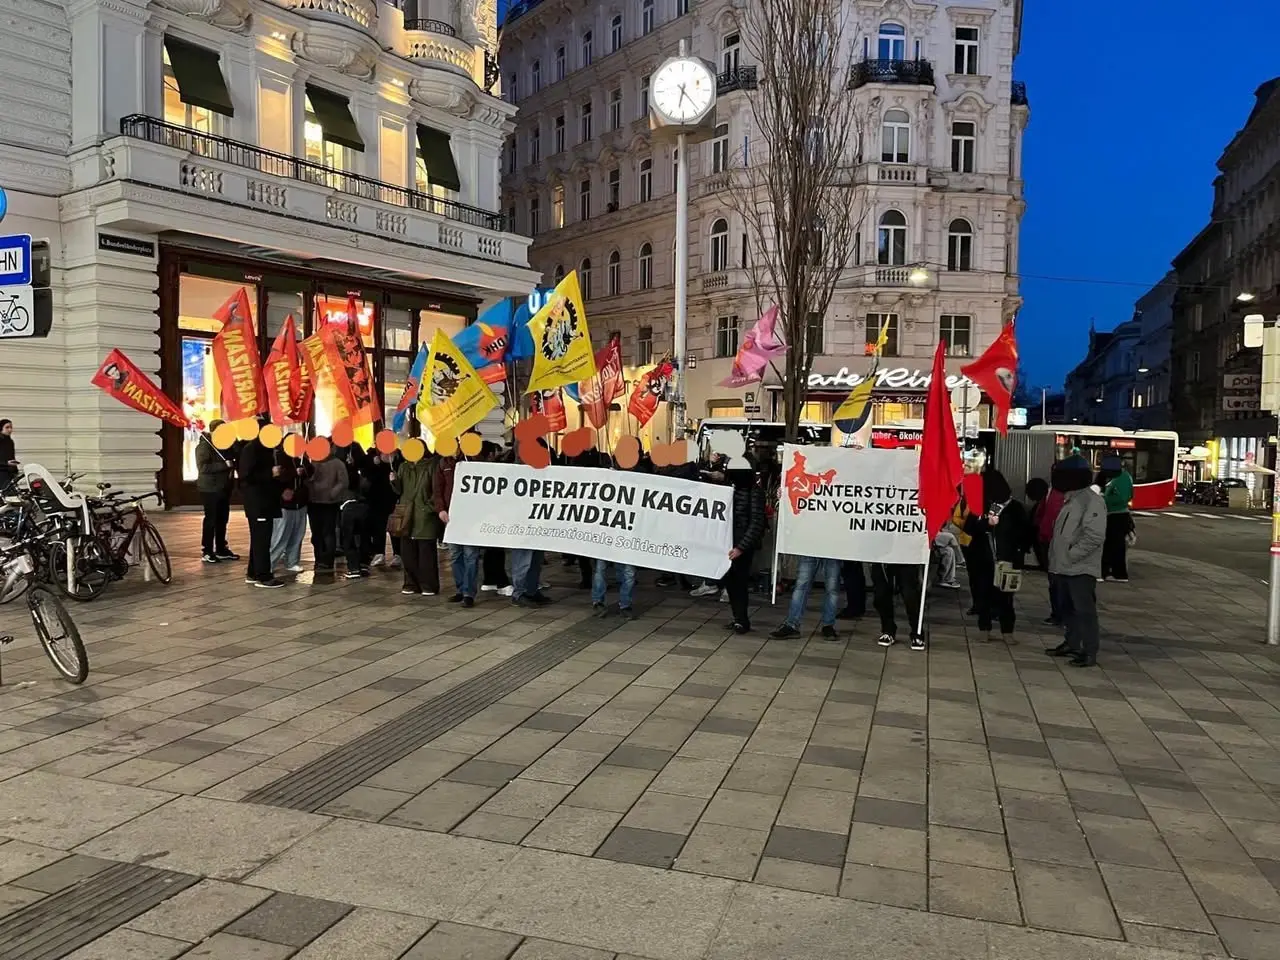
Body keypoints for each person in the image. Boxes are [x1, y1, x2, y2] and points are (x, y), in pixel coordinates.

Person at [1046, 454, 1107, 667]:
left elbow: (1094, 536)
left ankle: (1089, 651)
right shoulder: (1071, 499)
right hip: (1064, 567)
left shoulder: (1091, 501)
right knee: (1068, 609)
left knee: (1084, 611)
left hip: (1080, 568)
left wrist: (1071, 555)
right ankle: (1072, 643)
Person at [963, 470, 1027, 644]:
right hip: (983, 559)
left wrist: (1018, 555)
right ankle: (984, 629)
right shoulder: (980, 506)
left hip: (1007, 560)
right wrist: (986, 523)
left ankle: (1007, 631)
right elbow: (969, 528)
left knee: (1006, 597)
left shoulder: (1015, 508)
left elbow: (1025, 534)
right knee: (983, 595)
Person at [237, 419, 283, 588]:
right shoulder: (251, 449)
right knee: (261, 539)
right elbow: (245, 476)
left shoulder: (269, 449)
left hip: (267, 500)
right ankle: (263, 576)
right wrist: (270, 473)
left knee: (260, 538)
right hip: (258, 501)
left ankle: (253, 572)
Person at [435, 446, 480, 607]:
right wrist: (441, 509)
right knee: (455, 554)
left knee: (470, 555)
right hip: (451, 516)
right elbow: (437, 489)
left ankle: (469, 592)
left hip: (470, 515)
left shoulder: (473, 460)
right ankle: (461, 589)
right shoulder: (443, 463)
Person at [725, 458, 766, 633]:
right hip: (729, 542)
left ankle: (741, 620)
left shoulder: (754, 491)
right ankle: (738, 617)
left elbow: (756, 523)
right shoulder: (731, 488)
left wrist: (741, 547)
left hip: (742, 544)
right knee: (730, 582)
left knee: (739, 582)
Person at [392, 451, 442, 596]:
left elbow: (436, 489)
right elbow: (399, 491)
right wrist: (394, 481)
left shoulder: (431, 466)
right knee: (408, 553)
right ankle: (410, 583)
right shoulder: (403, 467)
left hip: (425, 515)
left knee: (426, 553)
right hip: (406, 515)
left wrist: (429, 507)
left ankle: (428, 585)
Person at [195, 419, 238, 563]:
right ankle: (207, 550)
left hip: (224, 487)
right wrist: (223, 465)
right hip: (210, 488)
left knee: (222, 519)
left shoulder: (225, 444)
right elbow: (203, 467)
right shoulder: (204, 446)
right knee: (211, 519)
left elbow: (235, 456)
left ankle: (221, 548)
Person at [771, 556, 842, 641]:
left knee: (803, 586)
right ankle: (827, 626)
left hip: (822, 550)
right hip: (823, 550)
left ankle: (793, 625)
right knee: (830, 587)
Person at [306, 447, 348, 574]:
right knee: (316, 533)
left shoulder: (337, 463)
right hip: (313, 502)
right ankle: (319, 558)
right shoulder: (312, 462)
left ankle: (327, 560)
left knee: (328, 532)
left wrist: (332, 493)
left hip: (329, 503)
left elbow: (343, 482)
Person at [270, 447, 308, 575]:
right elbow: (277, 477)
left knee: (297, 535)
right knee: (280, 536)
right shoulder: (278, 457)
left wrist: (304, 469)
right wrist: (294, 473)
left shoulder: (300, 458)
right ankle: (270, 563)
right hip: (285, 504)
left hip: (300, 502)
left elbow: (310, 472)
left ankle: (292, 561)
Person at [871, 562, 926, 650]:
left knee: (910, 596)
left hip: (907, 560)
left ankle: (917, 632)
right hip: (881, 560)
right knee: (880, 594)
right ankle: (888, 629)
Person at [1037, 468, 1067, 625]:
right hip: (1049, 539)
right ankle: (1058, 613)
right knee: (1055, 581)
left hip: (1055, 541)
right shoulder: (1053, 491)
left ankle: (1059, 614)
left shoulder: (1063, 495)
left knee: (1057, 581)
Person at [1098, 455, 1133, 582]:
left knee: (1114, 545)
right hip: (1115, 514)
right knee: (1113, 545)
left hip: (1117, 515)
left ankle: (1116, 573)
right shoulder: (1119, 476)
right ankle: (1113, 572)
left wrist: (1103, 499)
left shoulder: (1122, 478)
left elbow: (1122, 498)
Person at [339, 446, 372, 579]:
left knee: (349, 538)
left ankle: (354, 568)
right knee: (364, 537)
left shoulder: (343, 470)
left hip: (348, 505)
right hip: (364, 506)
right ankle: (363, 565)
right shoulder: (363, 471)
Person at [363, 448, 398, 568]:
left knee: (395, 528)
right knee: (378, 528)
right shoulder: (373, 458)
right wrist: (374, 464)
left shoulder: (398, 459)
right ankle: (379, 553)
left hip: (393, 498)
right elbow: (366, 475)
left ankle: (398, 554)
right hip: (376, 499)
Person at [0, 419, 18, 490]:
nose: (10, 430)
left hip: (10, 473)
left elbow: (11, 456)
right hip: (1, 472)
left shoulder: (10, 442)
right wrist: (6, 463)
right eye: (7, 427)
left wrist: (15, 470)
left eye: (11, 427)